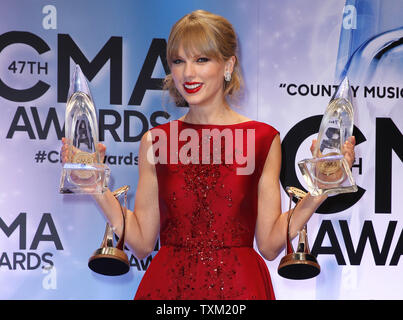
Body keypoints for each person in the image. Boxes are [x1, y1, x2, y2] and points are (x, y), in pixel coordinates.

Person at [61, 10, 356, 300]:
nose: (188, 73)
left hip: (240, 288)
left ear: (228, 65)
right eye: (179, 61)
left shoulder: (262, 139)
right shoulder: (156, 141)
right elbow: (140, 242)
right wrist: (94, 186)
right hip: (168, 288)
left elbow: (268, 245)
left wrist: (320, 189)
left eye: (202, 59)